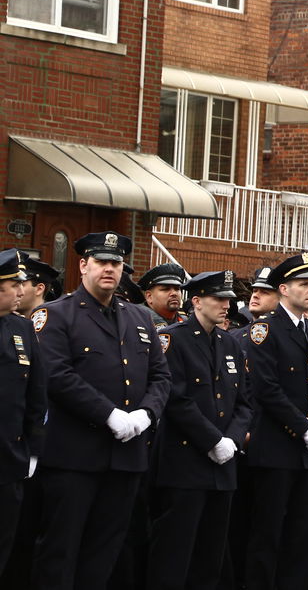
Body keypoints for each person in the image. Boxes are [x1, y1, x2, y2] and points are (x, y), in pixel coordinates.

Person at [30, 231, 170, 590]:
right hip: (74, 456)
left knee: (105, 550)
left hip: (126, 456)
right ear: (83, 265)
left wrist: (146, 415)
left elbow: (160, 376)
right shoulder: (56, 314)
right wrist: (108, 414)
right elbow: (57, 375)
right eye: (102, 262)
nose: (110, 269)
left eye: (117, 263)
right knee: (60, 550)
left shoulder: (139, 317)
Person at [148, 270, 252, 590]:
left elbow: (244, 402)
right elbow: (176, 398)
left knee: (211, 556)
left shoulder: (229, 343)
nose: (226, 305)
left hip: (223, 466)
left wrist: (231, 440)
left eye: (228, 299)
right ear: (196, 301)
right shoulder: (173, 339)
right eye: (218, 298)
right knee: (174, 553)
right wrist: (211, 440)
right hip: (185, 464)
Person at [243, 252, 308, 590]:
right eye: (304, 284)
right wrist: (303, 426)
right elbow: (266, 388)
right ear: (284, 289)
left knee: (304, 533)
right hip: (277, 447)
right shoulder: (264, 329)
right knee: (268, 532)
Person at [0, 249, 46, 576]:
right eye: (12, 285)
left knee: (4, 543)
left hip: (9, 461)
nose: (20, 291)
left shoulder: (22, 329)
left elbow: (36, 394)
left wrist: (32, 449)